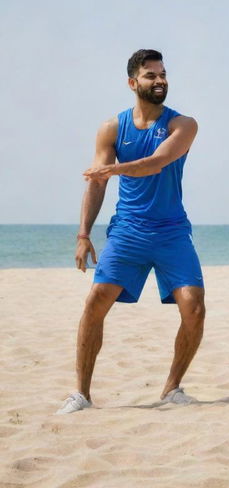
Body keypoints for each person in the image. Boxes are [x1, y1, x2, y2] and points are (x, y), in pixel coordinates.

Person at [57, 49, 205, 414]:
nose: (160, 81)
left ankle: (172, 388)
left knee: (194, 309)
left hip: (171, 231)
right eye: (151, 75)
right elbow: (96, 183)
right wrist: (83, 234)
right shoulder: (112, 127)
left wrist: (113, 171)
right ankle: (82, 395)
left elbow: (156, 164)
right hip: (128, 232)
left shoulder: (182, 125)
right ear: (132, 82)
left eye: (163, 74)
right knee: (95, 303)